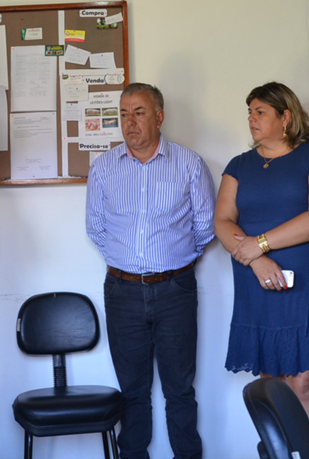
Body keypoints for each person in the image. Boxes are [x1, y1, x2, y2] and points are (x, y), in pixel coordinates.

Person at [215, 81, 309, 456]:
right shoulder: (240, 164)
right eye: (250, 113)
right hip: (256, 278)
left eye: (260, 112)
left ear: (285, 116)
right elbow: (222, 220)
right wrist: (256, 258)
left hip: (304, 281)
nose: (252, 119)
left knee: (303, 381)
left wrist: (259, 243)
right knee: (272, 378)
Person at [86, 82, 215, 459]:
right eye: (123, 114)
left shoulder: (189, 163)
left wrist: (174, 264)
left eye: (139, 113)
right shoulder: (105, 167)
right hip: (122, 290)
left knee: (180, 390)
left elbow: (206, 226)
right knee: (133, 391)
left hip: (175, 289)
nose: (130, 122)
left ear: (159, 116)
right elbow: (96, 228)